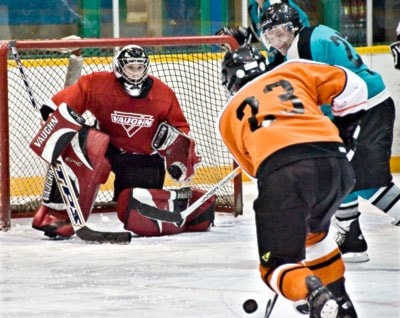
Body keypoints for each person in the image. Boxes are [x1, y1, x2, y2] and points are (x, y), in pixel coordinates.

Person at [219, 45, 364, 317]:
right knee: (315, 236)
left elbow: (258, 171)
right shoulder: (293, 70)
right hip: (336, 165)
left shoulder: (228, 117)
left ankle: (312, 291)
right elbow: (354, 86)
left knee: (276, 266)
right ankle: (339, 301)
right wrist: (345, 135)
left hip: (285, 173)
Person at [258, 2, 400, 263]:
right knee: (341, 172)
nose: (276, 41)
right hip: (361, 105)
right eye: (270, 35)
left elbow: (314, 96)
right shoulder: (314, 34)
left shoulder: (299, 51)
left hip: (364, 108)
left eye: (280, 33)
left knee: (368, 181)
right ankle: (351, 238)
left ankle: (355, 234)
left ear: (293, 28)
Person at [30, 44, 215, 239]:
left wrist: (178, 150)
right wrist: (51, 113)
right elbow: (67, 101)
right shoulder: (97, 83)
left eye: (139, 68)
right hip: (106, 150)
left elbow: (180, 128)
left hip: (144, 157)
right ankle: (59, 217)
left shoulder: (163, 94)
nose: (135, 73)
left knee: (133, 209)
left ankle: (195, 210)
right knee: (87, 142)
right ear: (119, 67)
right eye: (130, 67)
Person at [216, 0, 309, 67]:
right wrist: (245, 34)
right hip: (279, 63)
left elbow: (290, 36)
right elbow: (263, 33)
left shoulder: (277, 4)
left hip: (298, 61)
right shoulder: (253, 6)